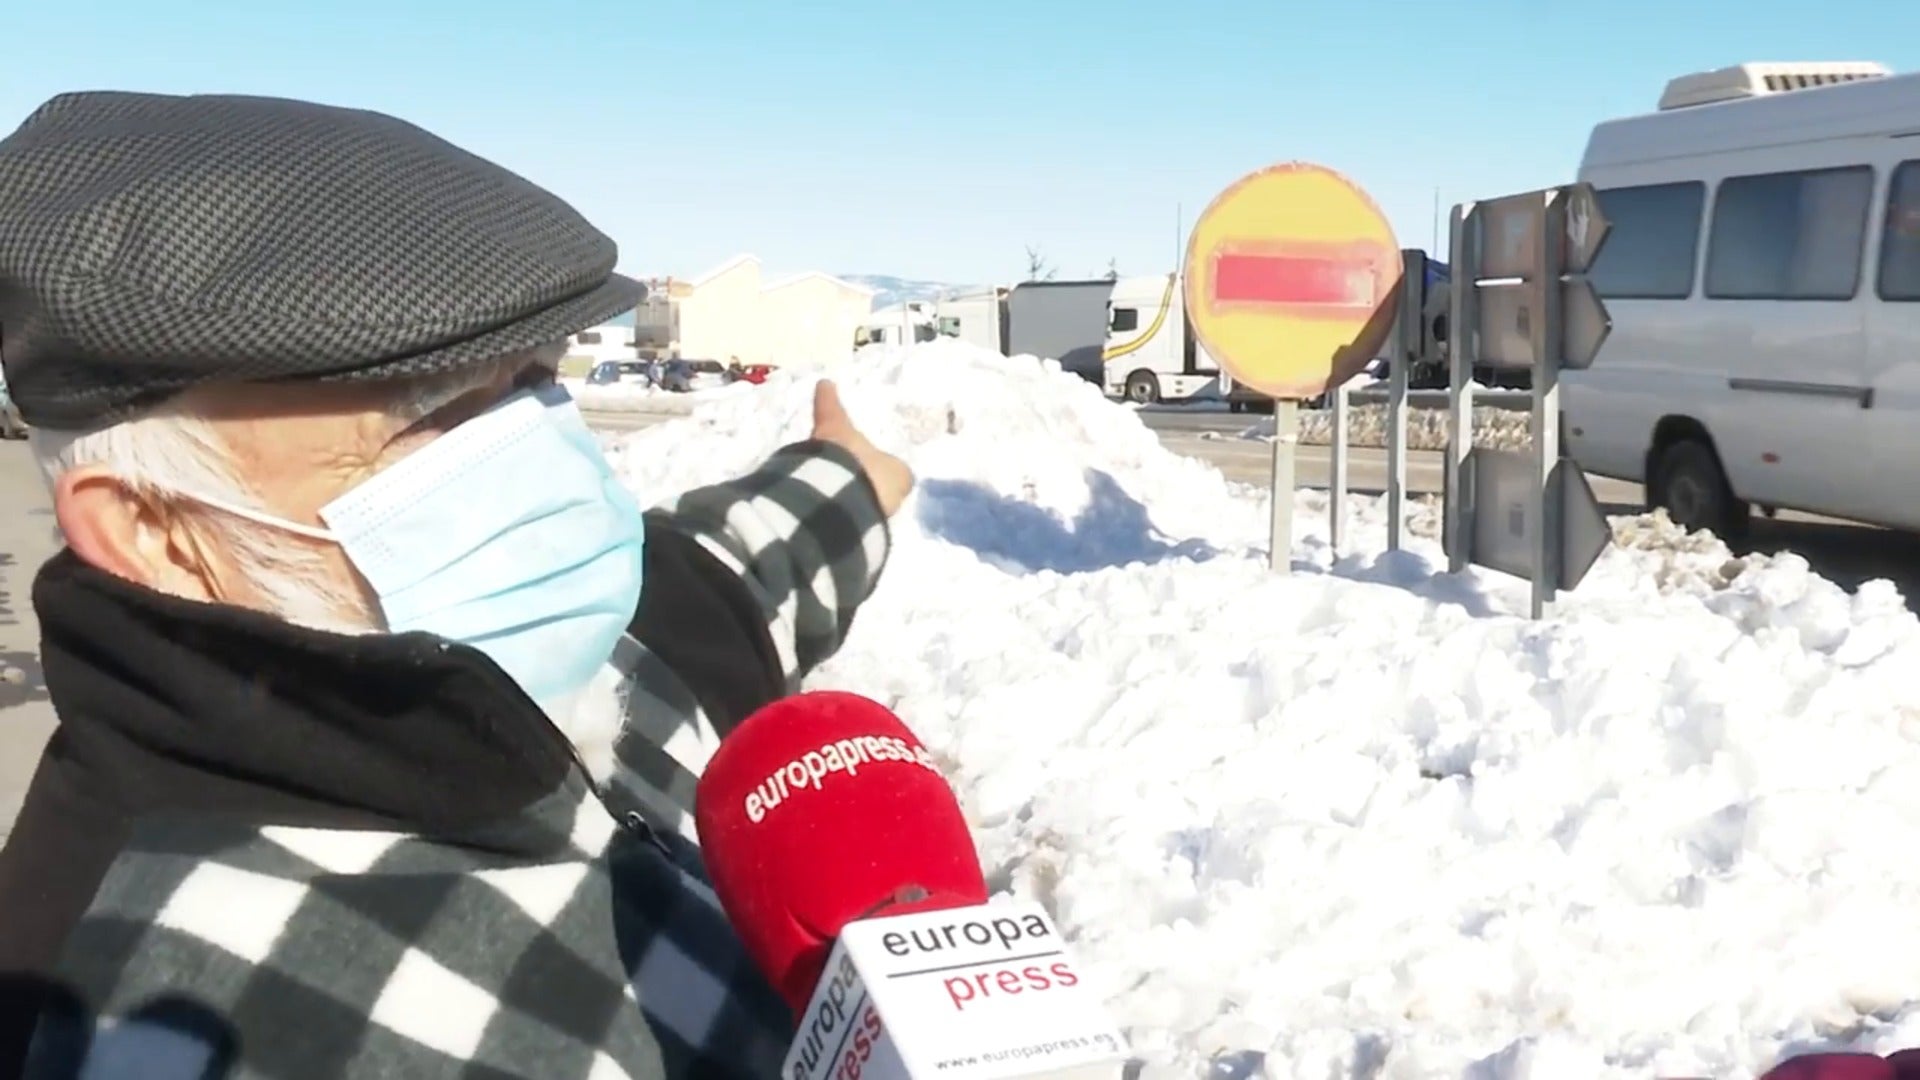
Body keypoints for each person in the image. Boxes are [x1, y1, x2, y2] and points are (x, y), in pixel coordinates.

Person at [0, 90, 911, 1078]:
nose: (545, 463)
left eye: (536, 382)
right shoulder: (179, 1015)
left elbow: (728, 574)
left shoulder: (528, 644)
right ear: (156, 530)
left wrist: (849, 475)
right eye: (436, 418)